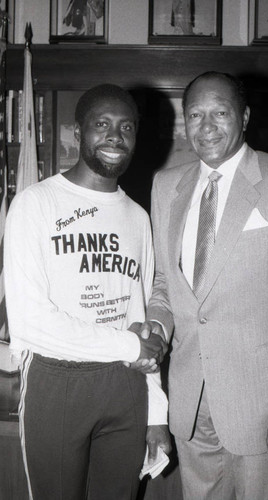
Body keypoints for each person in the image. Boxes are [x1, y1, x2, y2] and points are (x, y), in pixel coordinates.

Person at [141, 71, 268, 499]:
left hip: (262, 404)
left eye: (220, 112)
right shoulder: (165, 186)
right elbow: (164, 283)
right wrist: (156, 328)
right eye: (195, 114)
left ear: (245, 116)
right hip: (191, 401)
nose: (207, 125)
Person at [4, 84, 171, 500]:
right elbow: (30, 322)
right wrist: (130, 345)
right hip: (58, 380)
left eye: (126, 127)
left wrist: (156, 413)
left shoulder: (137, 216)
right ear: (78, 133)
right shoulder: (36, 203)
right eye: (102, 125)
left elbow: (144, 315)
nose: (115, 136)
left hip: (127, 383)